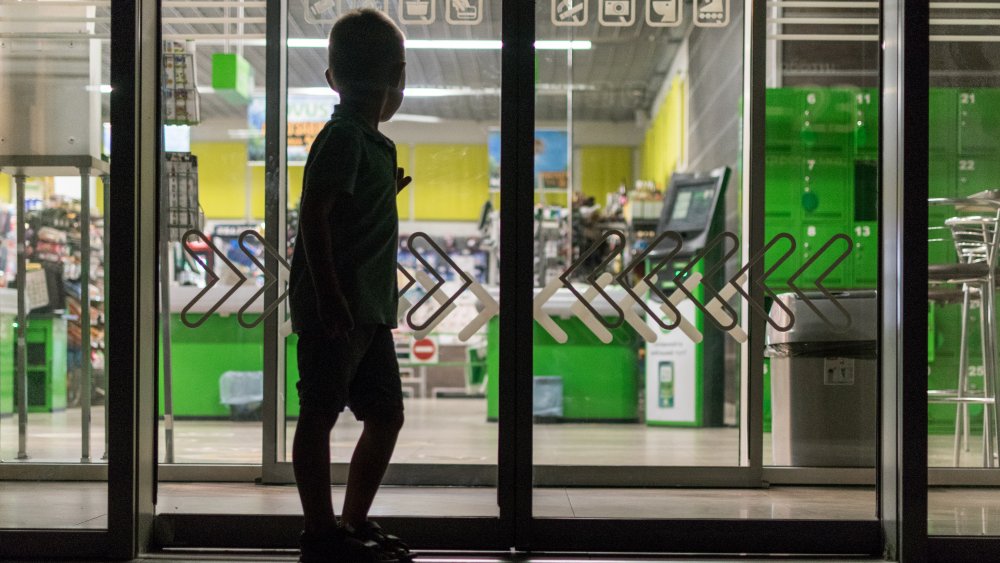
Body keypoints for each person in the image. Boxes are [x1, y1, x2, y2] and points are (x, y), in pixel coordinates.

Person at [287, 9, 413, 563]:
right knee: (320, 411)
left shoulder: (369, 143)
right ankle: (320, 533)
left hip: (368, 309)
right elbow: (313, 215)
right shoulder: (341, 137)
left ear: (330, 76)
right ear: (399, 77)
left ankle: (351, 522)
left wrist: (386, 193)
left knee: (385, 413)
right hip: (338, 307)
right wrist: (331, 295)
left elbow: (340, 213)